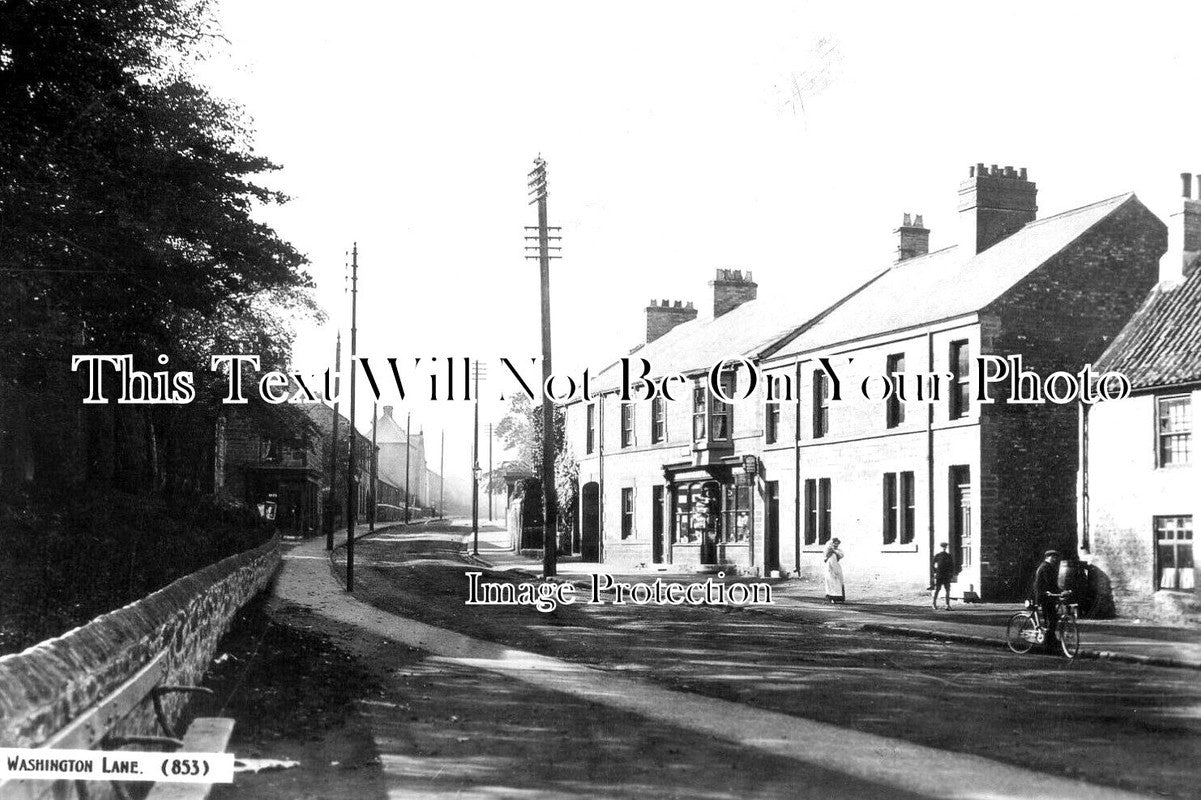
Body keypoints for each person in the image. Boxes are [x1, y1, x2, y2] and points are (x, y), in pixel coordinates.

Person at [1031, 550, 1064, 650]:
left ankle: (1050, 638)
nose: (1056, 559)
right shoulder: (1045, 567)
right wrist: (1059, 592)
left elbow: (1052, 584)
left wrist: (1060, 591)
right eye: (1054, 557)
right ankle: (1049, 641)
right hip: (1043, 595)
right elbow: (1049, 583)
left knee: (1052, 618)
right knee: (1051, 618)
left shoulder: (1048, 566)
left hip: (1047, 595)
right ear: (1048, 557)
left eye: (1056, 557)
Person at [931, 542, 954, 610]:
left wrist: (951, 573)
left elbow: (952, 566)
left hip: (946, 575)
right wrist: (935, 572)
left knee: (947, 590)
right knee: (937, 589)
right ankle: (934, 603)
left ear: (946, 548)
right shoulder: (938, 555)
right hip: (939, 575)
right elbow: (932, 564)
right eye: (943, 547)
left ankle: (947, 605)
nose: (944, 548)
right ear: (941, 548)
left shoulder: (948, 556)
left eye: (945, 547)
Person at [824, 538, 845, 603]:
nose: (836, 545)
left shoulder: (838, 551)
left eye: (837, 544)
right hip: (829, 568)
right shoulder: (828, 550)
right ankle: (831, 598)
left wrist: (835, 551)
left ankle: (839, 598)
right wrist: (830, 551)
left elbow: (841, 555)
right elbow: (825, 557)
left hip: (836, 567)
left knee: (838, 581)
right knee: (831, 581)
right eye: (834, 543)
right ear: (832, 543)